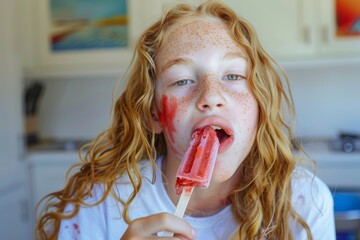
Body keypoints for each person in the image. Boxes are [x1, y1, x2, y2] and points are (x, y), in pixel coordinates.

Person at [35, 0, 336, 239]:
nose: (211, 95)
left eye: (233, 75)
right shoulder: (97, 202)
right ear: (153, 113)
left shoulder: (302, 202)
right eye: (181, 81)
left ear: (260, 104)